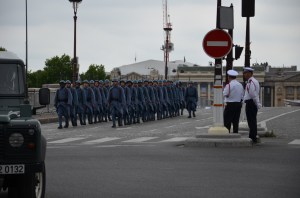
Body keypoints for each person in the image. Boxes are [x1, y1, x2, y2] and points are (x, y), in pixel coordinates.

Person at [243, 67, 262, 143]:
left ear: (250, 73)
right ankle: (253, 135)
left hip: (251, 103)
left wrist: (257, 103)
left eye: (246, 73)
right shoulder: (253, 81)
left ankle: (252, 136)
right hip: (252, 102)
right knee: (252, 120)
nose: (244, 74)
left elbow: (252, 94)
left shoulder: (251, 82)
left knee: (251, 120)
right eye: (244, 73)